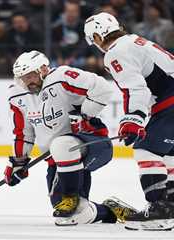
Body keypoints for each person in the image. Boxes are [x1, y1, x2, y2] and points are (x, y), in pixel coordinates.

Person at [3, 50, 134, 226]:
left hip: (92, 144)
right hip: (59, 160)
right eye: (23, 78)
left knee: (61, 144)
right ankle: (109, 210)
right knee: (68, 216)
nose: (27, 82)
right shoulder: (19, 96)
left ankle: (70, 196)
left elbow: (103, 89)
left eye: (30, 75)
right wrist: (18, 162)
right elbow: (23, 133)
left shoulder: (61, 77)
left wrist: (85, 113)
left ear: (43, 69)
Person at [84, 12, 174, 225]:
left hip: (170, 101)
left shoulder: (115, 52)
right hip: (168, 100)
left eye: (93, 40)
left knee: (146, 149)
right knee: (169, 153)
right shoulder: (133, 40)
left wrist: (133, 120)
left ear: (98, 36)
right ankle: (170, 205)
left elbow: (136, 89)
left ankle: (159, 210)